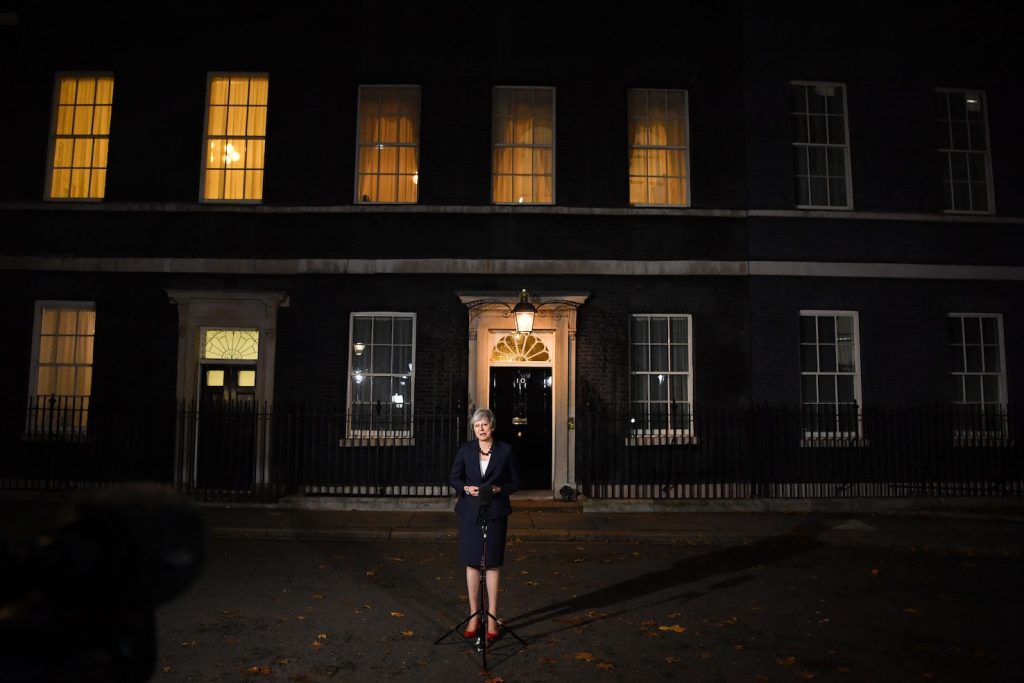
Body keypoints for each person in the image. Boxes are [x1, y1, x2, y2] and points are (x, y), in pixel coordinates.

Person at [449, 408, 521, 643]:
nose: (480, 429)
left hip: (496, 511)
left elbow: (517, 481)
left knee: (491, 564)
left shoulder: (506, 450)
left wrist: (501, 489)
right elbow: (454, 477)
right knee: (472, 563)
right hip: (470, 512)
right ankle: (473, 616)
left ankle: (491, 618)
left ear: (492, 427)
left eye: (484, 425)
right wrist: (465, 488)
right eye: (476, 425)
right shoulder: (465, 449)